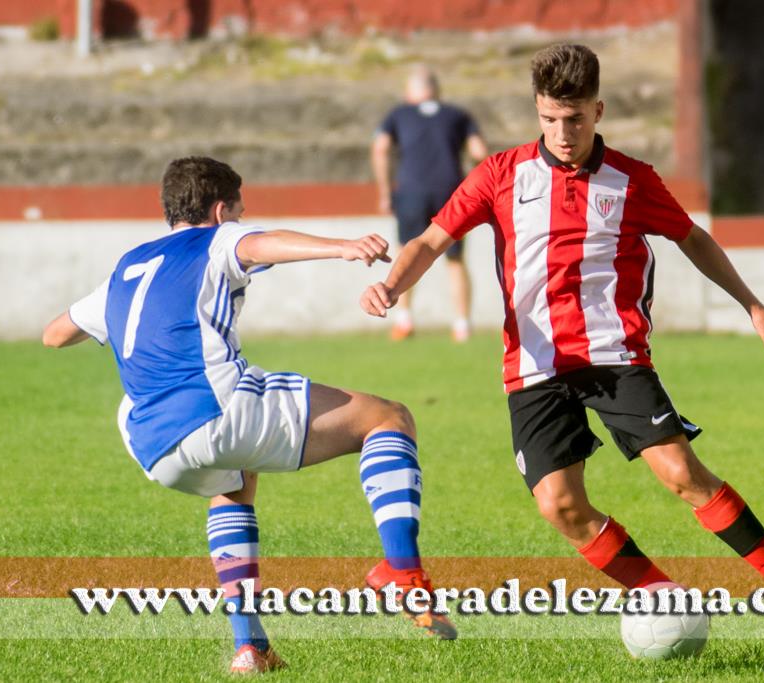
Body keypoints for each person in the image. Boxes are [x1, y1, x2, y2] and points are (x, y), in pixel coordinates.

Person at [362, 45, 764, 616]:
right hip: (533, 364)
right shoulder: (499, 175)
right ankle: (662, 596)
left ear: (598, 111)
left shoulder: (632, 180)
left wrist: (753, 306)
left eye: (575, 118)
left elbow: (693, 239)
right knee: (560, 506)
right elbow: (431, 240)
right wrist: (392, 284)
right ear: (537, 111)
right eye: (550, 118)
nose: (562, 132)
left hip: (614, 355)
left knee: (682, 474)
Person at [43, 156, 457, 675]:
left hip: (153, 444)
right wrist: (342, 248)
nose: (243, 219)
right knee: (388, 418)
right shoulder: (216, 240)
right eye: (239, 210)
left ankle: (251, 648)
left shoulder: (128, 267)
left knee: (236, 482)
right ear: (220, 211)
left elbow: (54, 334)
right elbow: (257, 245)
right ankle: (405, 573)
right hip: (219, 406)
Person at [371, 65, 488, 342]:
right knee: (455, 259)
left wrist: (385, 191)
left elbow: (380, 148)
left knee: (407, 254)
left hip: (411, 191)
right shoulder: (457, 115)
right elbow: (479, 151)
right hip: (450, 192)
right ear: (437, 91)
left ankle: (404, 319)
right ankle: (462, 325)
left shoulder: (398, 114)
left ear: (409, 91)